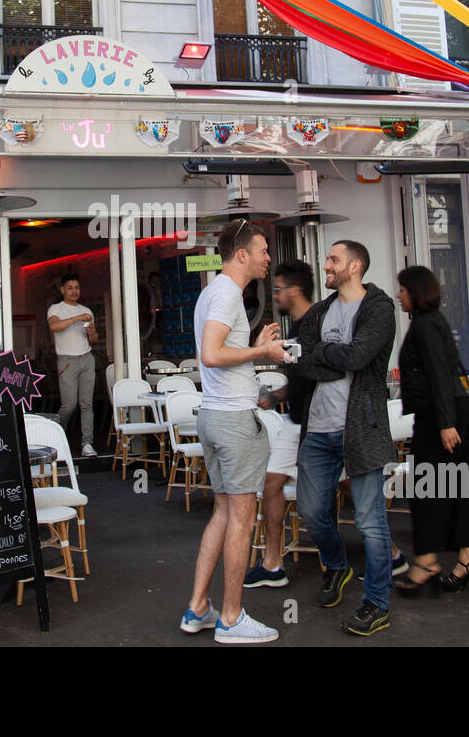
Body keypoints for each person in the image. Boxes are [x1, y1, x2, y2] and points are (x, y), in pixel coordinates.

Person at [181, 220, 287, 644]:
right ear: (241, 254)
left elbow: (217, 351)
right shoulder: (226, 293)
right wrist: (263, 351)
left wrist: (254, 343)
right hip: (232, 420)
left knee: (224, 515)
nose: (267, 257)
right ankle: (231, 617)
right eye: (262, 249)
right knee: (242, 520)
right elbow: (210, 353)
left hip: (214, 415)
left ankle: (198, 608)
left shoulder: (213, 293)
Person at [292, 240, 398, 636]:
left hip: (361, 426)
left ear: (355, 266)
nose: (327, 265)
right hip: (318, 428)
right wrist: (329, 353)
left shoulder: (379, 309)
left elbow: (358, 358)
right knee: (312, 510)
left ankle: (376, 602)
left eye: (333, 259)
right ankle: (337, 567)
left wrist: (324, 352)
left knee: (370, 520)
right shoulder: (320, 310)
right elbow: (301, 360)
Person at [393, 265, 469, 598]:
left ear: (415, 292)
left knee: (428, 489)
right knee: (454, 486)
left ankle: (427, 561)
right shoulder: (433, 322)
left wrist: (446, 423)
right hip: (447, 413)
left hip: (441, 416)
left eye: (402, 290)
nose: (398, 295)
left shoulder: (426, 325)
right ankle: (467, 559)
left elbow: (437, 374)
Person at [244, 259, 313, 589]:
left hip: (319, 424)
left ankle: (391, 553)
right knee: (271, 485)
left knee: (349, 489)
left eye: (279, 290)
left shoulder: (314, 325)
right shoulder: (297, 328)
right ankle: (272, 564)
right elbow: (300, 381)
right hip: (293, 421)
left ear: (295, 291)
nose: (275, 296)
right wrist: (274, 397)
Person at [47, 274, 98, 456]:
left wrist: (91, 331)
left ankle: (87, 444)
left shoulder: (87, 311)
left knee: (87, 403)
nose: (74, 291)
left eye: (77, 287)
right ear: (62, 290)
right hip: (66, 360)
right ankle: (54, 439)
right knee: (68, 405)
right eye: (70, 287)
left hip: (86, 357)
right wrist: (75, 318)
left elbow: (93, 338)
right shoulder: (56, 308)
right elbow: (54, 327)